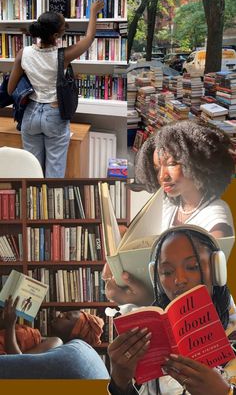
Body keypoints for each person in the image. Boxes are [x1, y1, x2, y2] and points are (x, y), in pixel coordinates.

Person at [102, 119, 235, 305]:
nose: (162, 176)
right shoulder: (169, 205)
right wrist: (119, 263)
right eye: (157, 167)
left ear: (198, 161)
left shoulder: (216, 213)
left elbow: (209, 286)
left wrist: (149, 300)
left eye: (172, 164)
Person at [107, 226, 236, 395]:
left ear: (217, 269)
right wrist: (120, 383)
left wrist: (224, 392)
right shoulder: (151, 338)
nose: (178, 280)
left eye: (192, 266)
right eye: (166, 272)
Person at [7, 0, 104, 177]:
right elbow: (89, 38)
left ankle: (33, 203)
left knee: (32, 170)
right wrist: (92, 12)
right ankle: (52, 204)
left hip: (30, 115)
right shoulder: (63, 56)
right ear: (57, 35)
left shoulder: (23, 53)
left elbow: (10, 89)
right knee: (55, 172)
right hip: (54, 113)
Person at [0, 296, 104, 355]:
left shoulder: (56, 342)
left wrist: (10, 325)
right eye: (64, 312)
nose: (60, 314)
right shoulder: (43, 339)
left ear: (74, 332)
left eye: (67, 317)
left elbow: (18, 362)